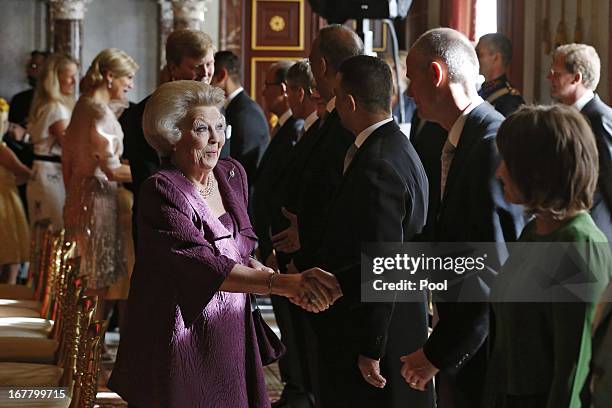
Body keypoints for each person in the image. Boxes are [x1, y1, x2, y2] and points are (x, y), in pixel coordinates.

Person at [107, 80, 341, 407]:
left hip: (230, 327)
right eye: (203, 129)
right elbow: (201, 264)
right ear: (172, 134)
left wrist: (280, 278)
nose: (216, 139)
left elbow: (239, 250)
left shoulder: (232, 175)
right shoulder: (160, 190)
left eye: (220, 126)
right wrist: (283, 284)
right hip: (182, 333)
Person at [400, 28, 524, 408]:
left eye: (411, 78)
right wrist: (350, 279)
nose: (407, 92)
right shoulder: (460, 139)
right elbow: (442, 245)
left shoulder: (490, 145)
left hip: (483, 357)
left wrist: (437, 354)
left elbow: (488, 272)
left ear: (435, 74)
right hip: (466, 347)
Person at [307, 55, 432, 408]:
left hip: (378, 331)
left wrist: (370, 346)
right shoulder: (399, 147)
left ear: (348, 102)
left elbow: (384, 263)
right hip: (397, 317)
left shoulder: (377, 163)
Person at [483, 104, 612, 408]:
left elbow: (572, 372)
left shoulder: (579, 244)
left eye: (510, 162)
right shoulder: (534, 231)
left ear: (541, 169)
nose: (500, 171)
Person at [272, 24, 362, 274]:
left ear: (321, 66)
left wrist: (305, 240)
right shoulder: (333, 122)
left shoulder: (346, 126)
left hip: (325, 271)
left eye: (311, 63)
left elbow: (336, 200)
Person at [62, 48, 138, 325]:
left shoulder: (82, 105)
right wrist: (157, 173)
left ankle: (86, 343)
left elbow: (67, 163)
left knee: (86, 273)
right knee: (96, 275)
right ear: (109, 76)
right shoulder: (98, 113)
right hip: (98, 200)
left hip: (81, 195)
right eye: (127, 77)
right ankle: (89, 346)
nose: (130, 84)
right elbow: (113, 170)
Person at [121, 29, 215, 246]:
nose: (205, 73)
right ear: (173, 67)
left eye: (209, 64)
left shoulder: (217, 110)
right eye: (196, 66)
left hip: (211, 223)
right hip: (162, 224)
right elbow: (147, 178)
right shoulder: (147, 112)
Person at [254, 60, 309, 408]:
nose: (266, 93)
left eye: (270, 86)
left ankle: (299, 388)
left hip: (284, 243)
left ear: (287, 91)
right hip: (275, 242)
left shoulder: (297, 131)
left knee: (294, 326)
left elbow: (285, 194)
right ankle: (295, 385)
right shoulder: (285, 129)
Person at [547, 43, 612, 242]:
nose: (549, 78)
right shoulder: (565, 115)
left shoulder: (599, 119)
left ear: (576, 78)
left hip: (596, 229)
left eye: (555, 74)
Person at [26, 53, 78, 229]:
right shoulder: (56, 108)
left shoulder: (48, 104)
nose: (74, 81)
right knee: (53, 231)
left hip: (44, 173)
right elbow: (70, 146)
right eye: (70, 76)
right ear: (56, 78)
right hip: (49, 176)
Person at [211, 50, 269, 185]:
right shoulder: (235, 108)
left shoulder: (244, 114)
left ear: (221, 76)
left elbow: (241, 168)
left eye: (210, 77)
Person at [0, 98, 31, 284]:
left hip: (7, 193)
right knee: (11, 252)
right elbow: (22, 170)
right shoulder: (2, 150)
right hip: (4, 199)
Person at [475, 33, 525, 117]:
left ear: (496, 58)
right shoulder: (481, 91)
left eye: (478, 54)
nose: (475, 59)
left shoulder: (511, 101)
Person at [9, 50, 49, 129]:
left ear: (48, 70)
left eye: (34, 66)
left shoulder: (54, 102)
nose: (28, 71)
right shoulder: (19, 99)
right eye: (28, 66)